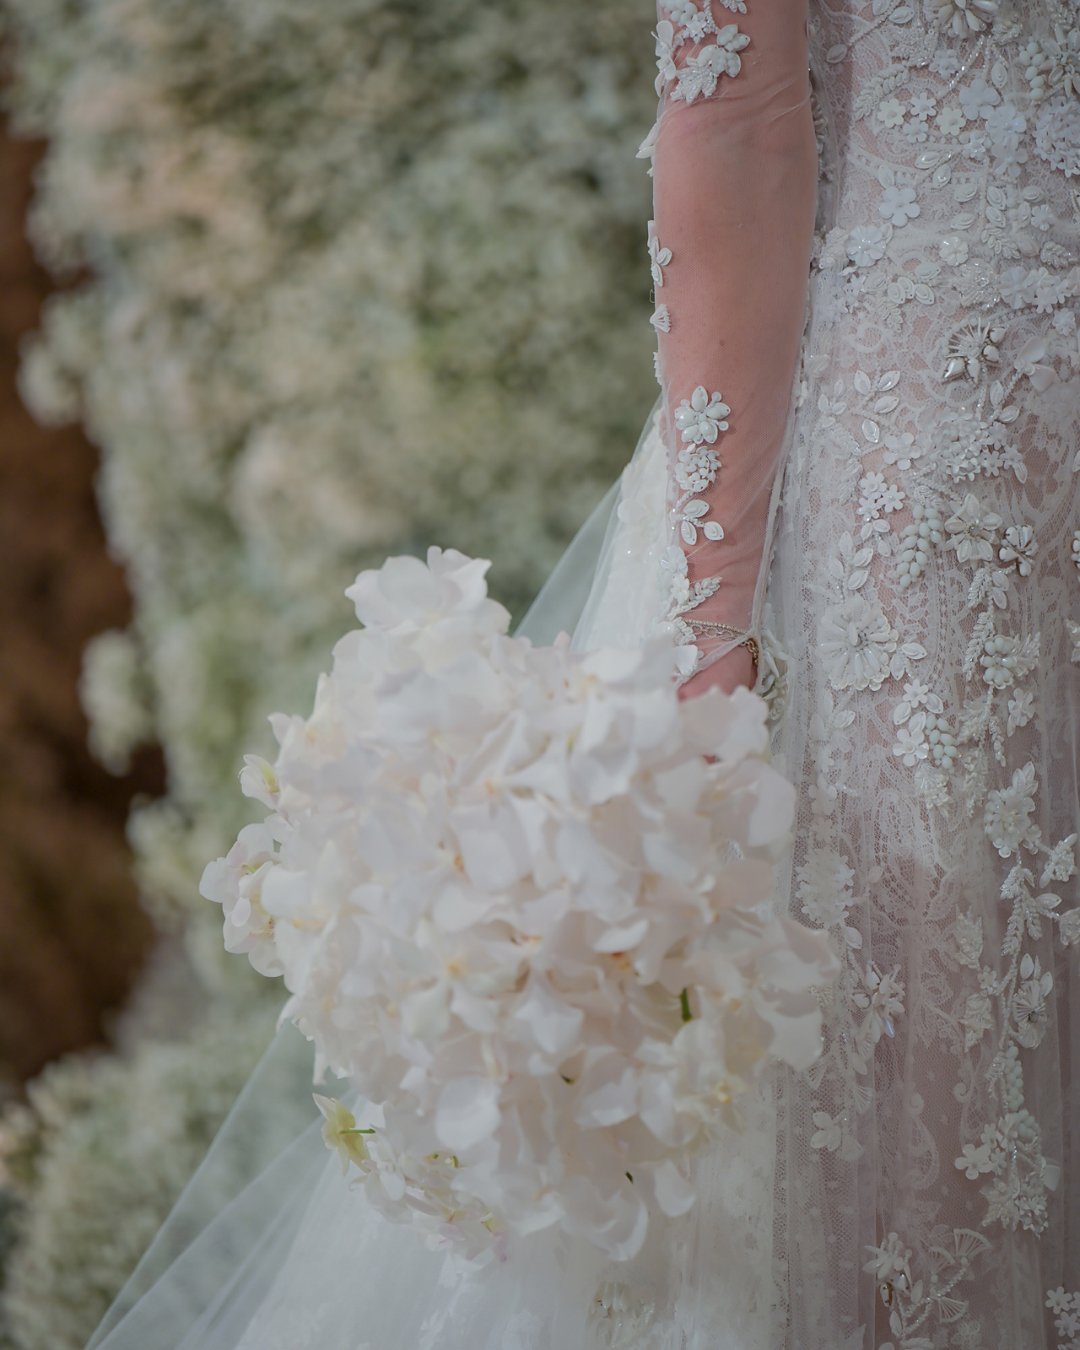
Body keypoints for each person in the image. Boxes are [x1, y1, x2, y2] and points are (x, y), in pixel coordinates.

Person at [87, 2, 1079, 1346]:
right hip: (950, 499)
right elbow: (738, 125)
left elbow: (735, 123)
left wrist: (705, 638)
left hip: (947, 483)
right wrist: (713, 642)